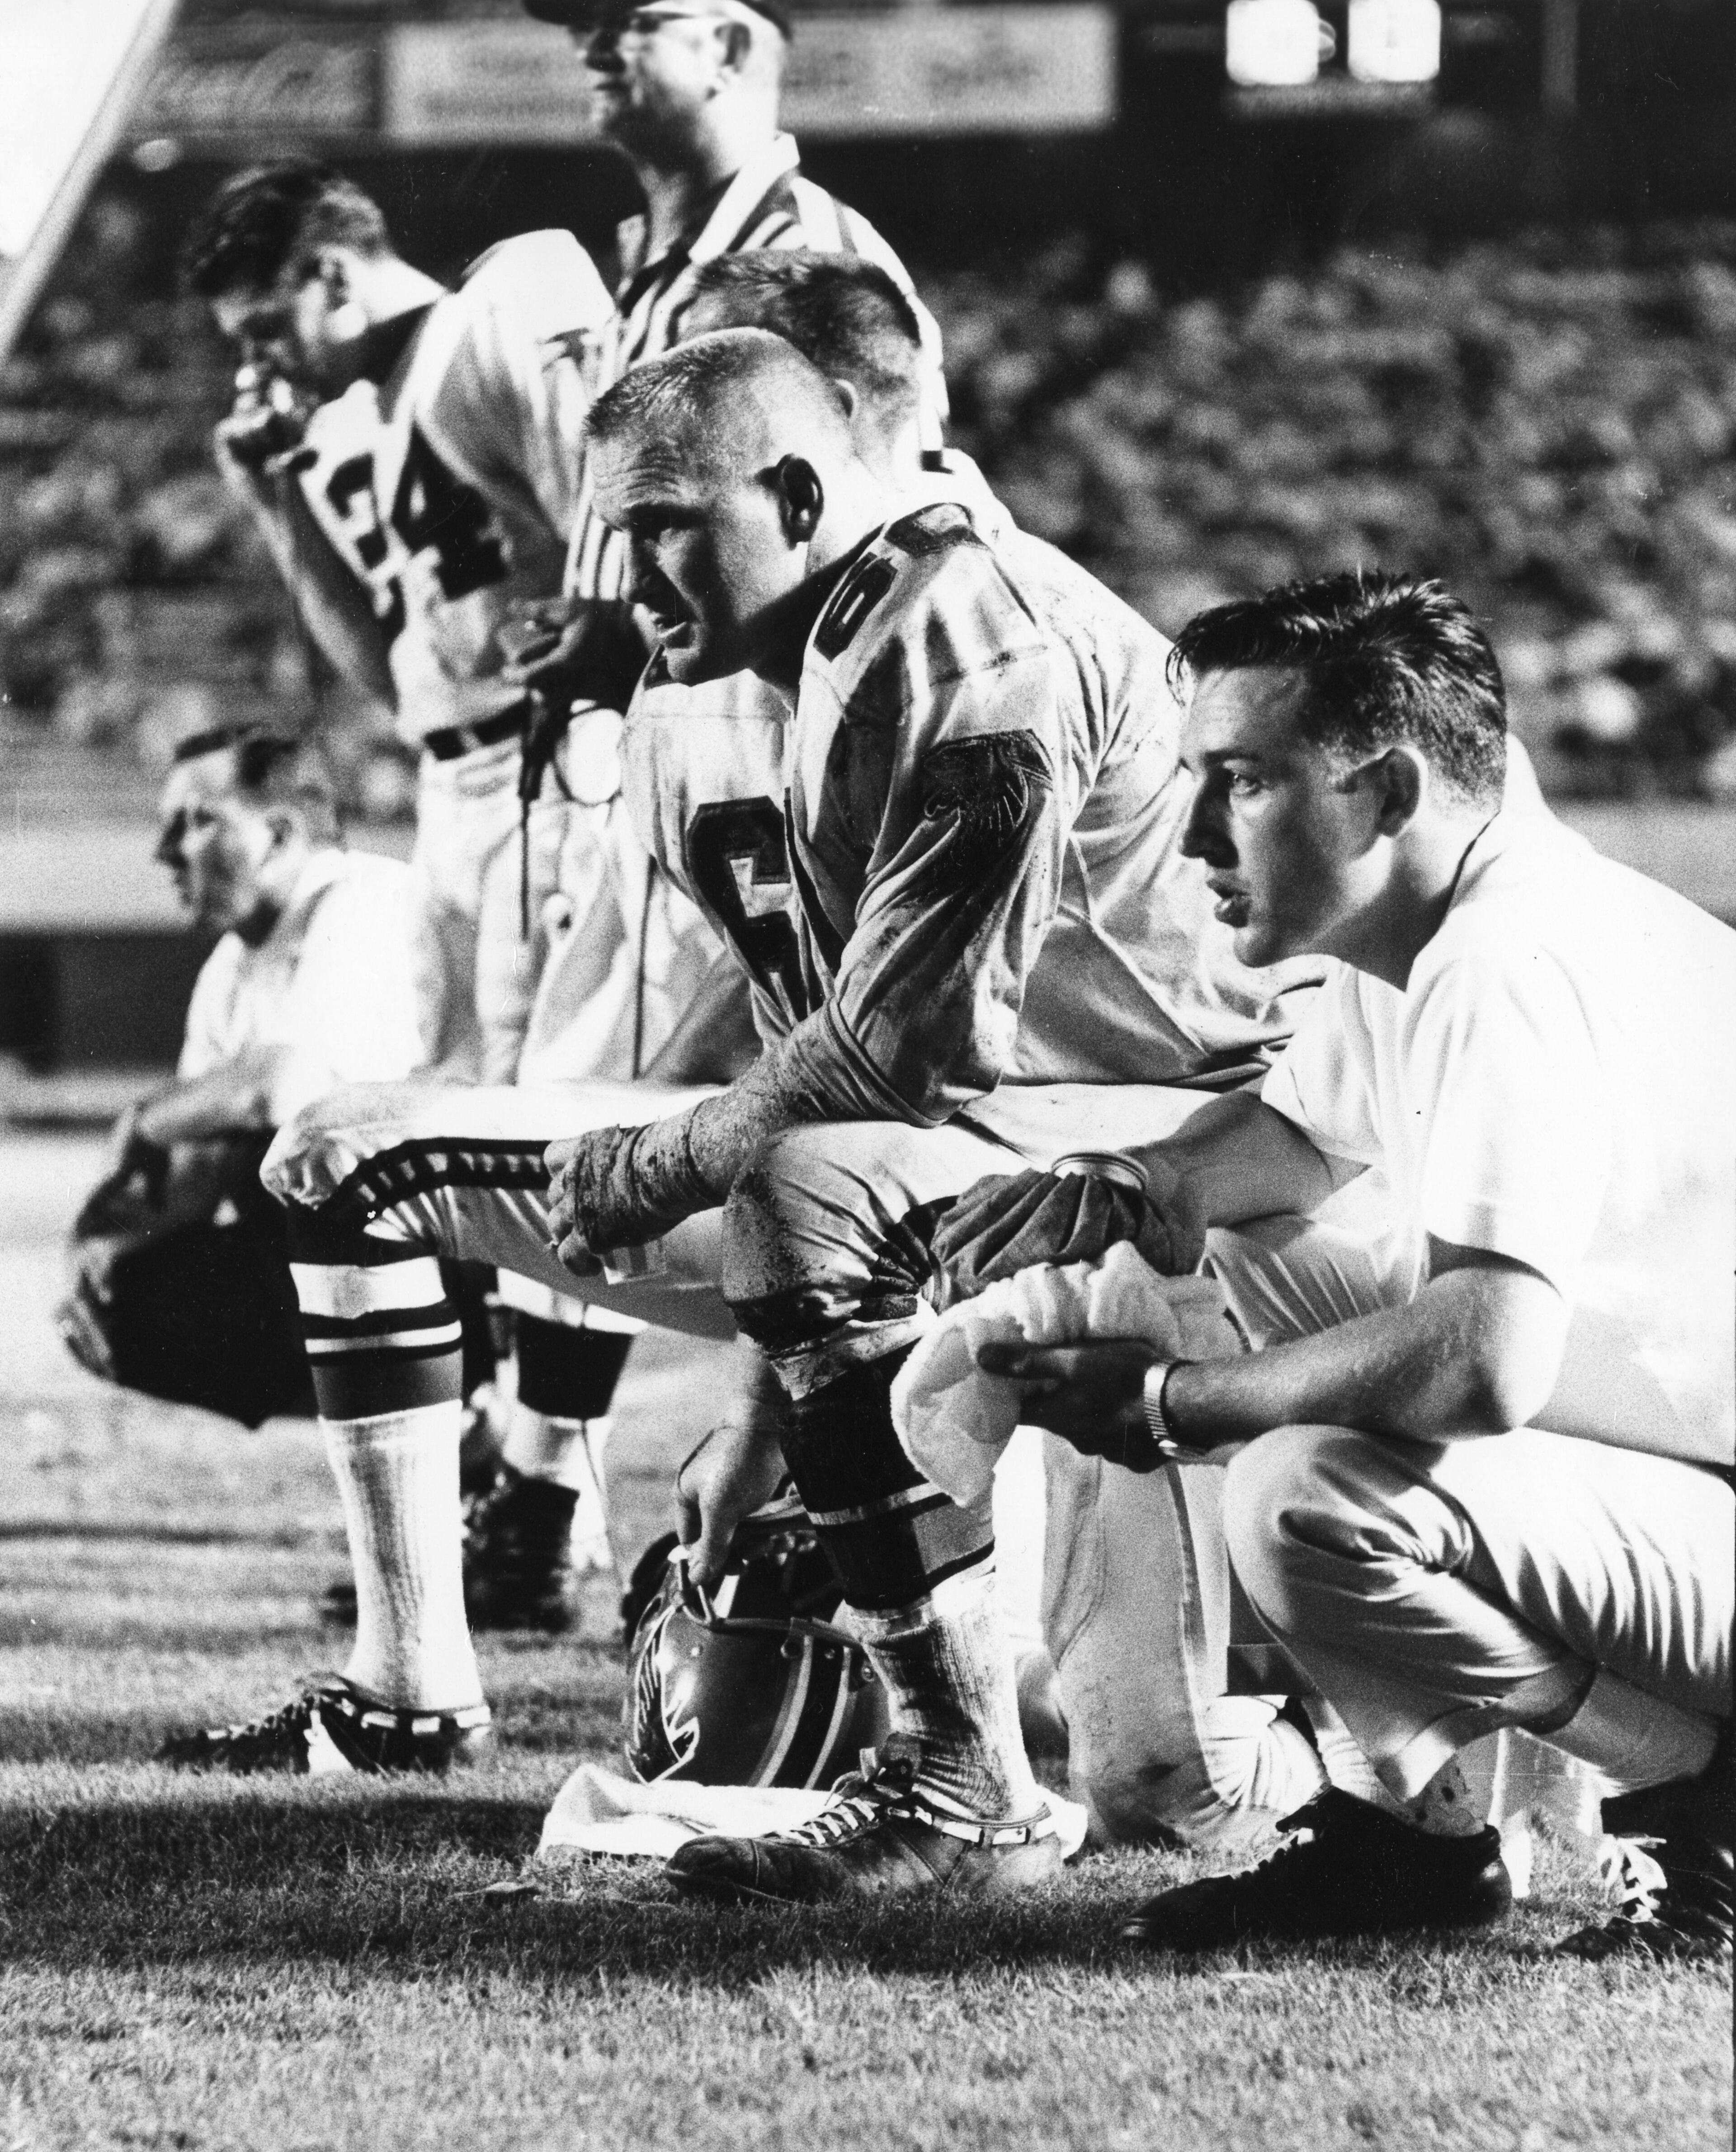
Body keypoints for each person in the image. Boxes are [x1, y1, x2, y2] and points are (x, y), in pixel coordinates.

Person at [237, 330, 1318, 1855]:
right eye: (613, 530)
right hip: (943, 1180)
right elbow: (803, 1050)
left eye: (665, 526)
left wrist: (661, 1159)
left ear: (804, 489)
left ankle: (995, 1768)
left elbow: (893, 1057)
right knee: (344, 1159)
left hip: (1168, 1177)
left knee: (1156, 1781)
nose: (623, 577)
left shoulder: (968, 628)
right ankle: (415, 1681)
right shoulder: (710, 683)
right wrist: (760, 1405)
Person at [970, 571, 1735, 1960]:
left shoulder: (1510, 958)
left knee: (1300, 1494)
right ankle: (1420, 1843)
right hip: (1684, 1497)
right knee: (1251, 1260)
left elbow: (1485, 1357)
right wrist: (1110, 1193)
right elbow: (1289, 1142)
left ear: (1384, 793)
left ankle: (1698, 1789)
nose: (1195, 831)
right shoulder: (1437, 916)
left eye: (1241, 782)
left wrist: (1171, 1405)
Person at [479, 0, 950, 1626]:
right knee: (606, 1092)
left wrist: (649, 630)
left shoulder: (809, 259)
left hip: (789, 753)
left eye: (633, 19)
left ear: (740, 42)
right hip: (680, 733)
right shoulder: (650, 256)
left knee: (655, 1104)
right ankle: (555, 1481)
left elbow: (882, 484)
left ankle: (568, 1498)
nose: (595, 42)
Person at [182, 160, 614, 1091]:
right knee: (459, 1082)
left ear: (333, 276)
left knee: (548, 1083)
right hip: (453, 782)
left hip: (556, 756)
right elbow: (392, 674)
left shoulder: (488, 324)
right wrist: (271, 499)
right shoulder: (348, 424)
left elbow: (607, 534)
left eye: (265, 330)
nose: (259, 368)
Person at [57, 726, 422, 1430]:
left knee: (314, 1156)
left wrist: (143, 1119)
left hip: (457, 1245)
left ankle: (466, 1405)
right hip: (342, 1249)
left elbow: (286, 1084)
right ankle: (408, 1410)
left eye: (196, 822)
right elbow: (197, 1174)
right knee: (128, 1297)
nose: (165, 852)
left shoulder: (366, 898)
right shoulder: (229, 968)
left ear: (279, 834)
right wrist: (101, 1240)